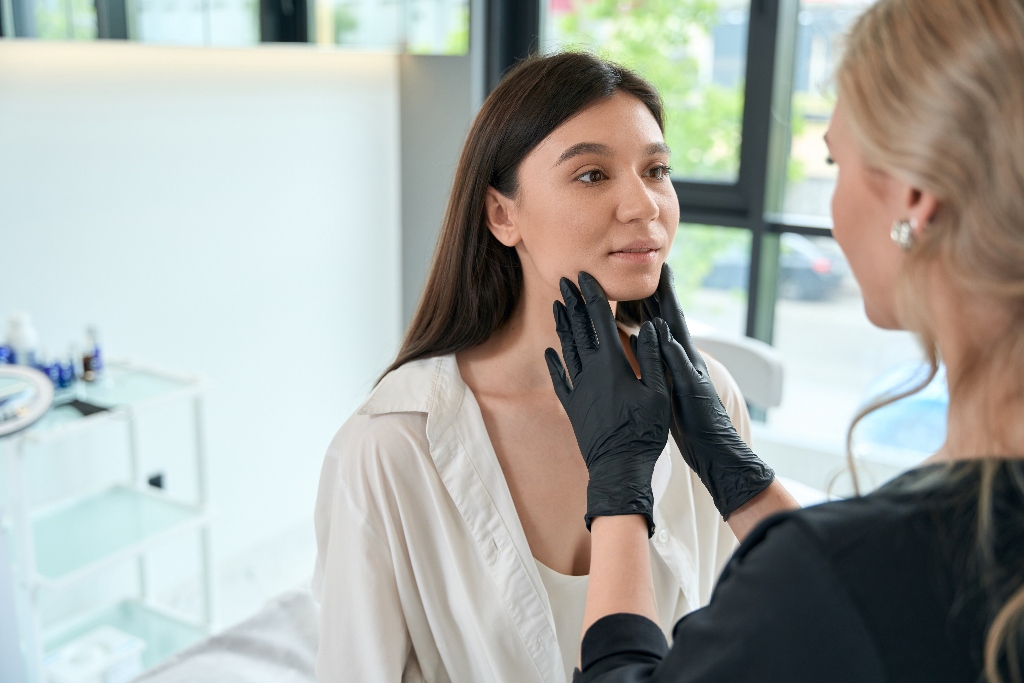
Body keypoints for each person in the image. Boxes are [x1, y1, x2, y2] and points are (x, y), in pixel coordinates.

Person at [545, 1, 1024, 681]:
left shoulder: (840, 572)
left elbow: (836, 595)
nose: (644, 205)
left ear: (915, 196)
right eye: (593, 174)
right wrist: (740, 478)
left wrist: (618, 492)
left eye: (835, 163)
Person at [311, 52, 797, 682]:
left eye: (657, 169)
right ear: (501, 215)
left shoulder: (711, 400)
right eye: (592, 175)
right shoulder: (392, 445)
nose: (644, 205)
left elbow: (776, 634)